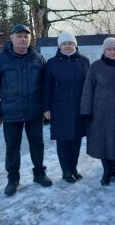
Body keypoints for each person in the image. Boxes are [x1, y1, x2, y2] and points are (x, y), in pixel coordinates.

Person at [0, 24, 52, 197]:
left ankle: (39, 174)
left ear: (30, 39)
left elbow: (46, 87)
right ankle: (13, 179)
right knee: (12, 147)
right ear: (11, 38)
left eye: (26, 36)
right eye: (19, 36)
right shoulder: (0, 59)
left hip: (34, 112)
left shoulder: (38, 59)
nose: (23, 39)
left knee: (37, 144)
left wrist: (46, 108)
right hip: (11, 113)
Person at [42, 32, 89, 183]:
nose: (67, 46)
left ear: (75, 45)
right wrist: (46, 108)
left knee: (76, 141)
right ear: (59, 46)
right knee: (63, 142)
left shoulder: (84, 61)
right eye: (64, 44)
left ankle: (74, 168)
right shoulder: (52, 63)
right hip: (59, 109)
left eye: (70, 43)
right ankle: (66, 171)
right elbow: (46, 87)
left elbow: (88, 87)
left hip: (78, 109)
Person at [80, 37, 115, 186]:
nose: (112, 52)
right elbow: (87, 90)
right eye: (109, 49)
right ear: (104, 51)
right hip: (99, 112)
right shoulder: (96, 66)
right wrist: (85, 111)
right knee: (102, 142)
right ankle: (107, 170)